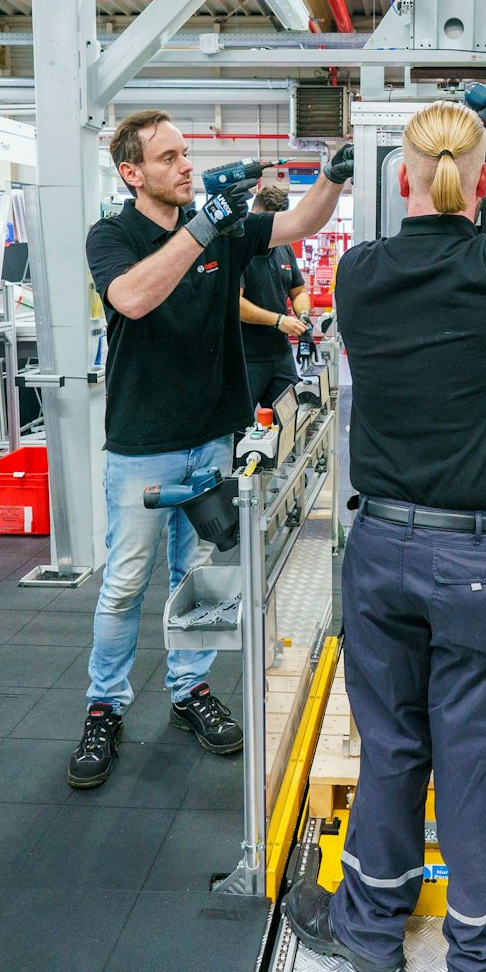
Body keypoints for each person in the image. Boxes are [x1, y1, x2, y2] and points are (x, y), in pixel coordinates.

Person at [281, 88, 486, 972]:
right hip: (480, 564)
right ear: (484, 180)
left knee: (390, 746)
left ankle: (368, 933)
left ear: (404, 179)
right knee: (477, 755)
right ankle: (482, 957)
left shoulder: (364, 276)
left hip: (378, 549)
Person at [71, 111, 354, 790]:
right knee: (123, 586)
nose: (186, 166)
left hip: (212, 440)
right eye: (168, 157)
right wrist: (203, 226)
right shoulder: (112, 236)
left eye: (187, 153)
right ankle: (104, 707)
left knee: (201, 576)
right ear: (131, 172)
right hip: (143, 444)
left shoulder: (226, 227)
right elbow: (133, 299)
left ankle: (189, 691)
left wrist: (334, 178)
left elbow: (299, 224)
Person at [238, 184, 311, 409]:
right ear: (255, 215)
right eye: (266, 224)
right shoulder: (239, 249)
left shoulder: (283, 247)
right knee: (240, 431)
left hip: (281, 356)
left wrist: (304, 316)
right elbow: (235, 304)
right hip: (247, 359)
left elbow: (298, 290)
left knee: (289, 422)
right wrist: (278, 321)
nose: (270, 231)